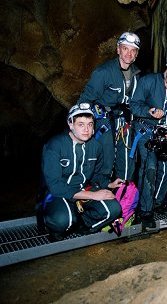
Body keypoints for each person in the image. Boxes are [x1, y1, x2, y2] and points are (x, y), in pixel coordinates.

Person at [40, 103, 122, 241]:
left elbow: (97, 175)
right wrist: (92, 195)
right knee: (62, 220)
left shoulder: (95, 146)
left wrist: (108, 184)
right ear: (70, 124)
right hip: (58, 193)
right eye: (81, 124)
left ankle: (84, 224)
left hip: (83, 189)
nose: (86, 129)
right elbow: (54, 185)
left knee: (114, 209)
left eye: (90, 124)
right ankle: (57, 227)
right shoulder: (55, 145)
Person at [129, 55, 167, 230]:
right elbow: (134, 105)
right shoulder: (148, 81)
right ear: (166, 69)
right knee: (150, 167)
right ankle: (145, 211)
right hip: (145, 130)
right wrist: (149, 111)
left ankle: (157, 201)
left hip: (165, 134)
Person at [78, 32, 141, 182]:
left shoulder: (136, 74)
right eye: (125, 48)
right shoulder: (103, 72)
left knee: (127, 160)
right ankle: (99, 197)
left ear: (136, 54)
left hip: (125, 120)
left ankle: (124, 197)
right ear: (118, 49)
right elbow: (86, 99)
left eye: (133, 50)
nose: (129, 53)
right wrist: (81, 125)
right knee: (105, 160)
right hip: (104, 120)